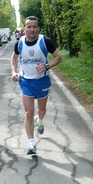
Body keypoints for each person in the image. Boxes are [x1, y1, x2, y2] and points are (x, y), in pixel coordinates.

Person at [10, 16, 62, 155]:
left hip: (42, 81)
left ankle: (40, 120)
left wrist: (46, 66)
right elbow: (14, 58)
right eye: (29, 26)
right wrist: (14, 72)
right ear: (24, 28)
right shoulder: (20, 43)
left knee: (42, 109)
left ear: (38, 28)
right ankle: (31, 143)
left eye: (34, 26)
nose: (32, 29)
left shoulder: (45, 41)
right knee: (28, 113)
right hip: (26, 81)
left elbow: (58, 57)